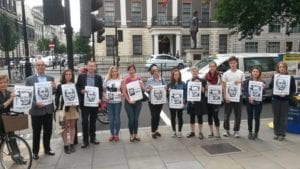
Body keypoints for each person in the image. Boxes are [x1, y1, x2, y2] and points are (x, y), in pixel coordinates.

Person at [25, 60, 56, 160]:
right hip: (36, 110)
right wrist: (35, 104)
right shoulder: (29, 79)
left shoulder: (50, 78)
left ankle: (47, 149)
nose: (41, 67)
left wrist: (54, 87)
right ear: (35, 66)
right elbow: (27, 95)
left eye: (42, 65)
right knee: (36, 132)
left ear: (45, 66)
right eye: (38, 65)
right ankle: (35, 152)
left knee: (48, 130)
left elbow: (53, 92)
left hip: (48, 109)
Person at [0, 75, 27, 164]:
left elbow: (12, 107)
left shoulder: (8, 93)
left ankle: (17, 156)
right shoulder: (9, 95)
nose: (3, 84)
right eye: (1, 83)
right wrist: (11, 99)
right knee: (3, 140)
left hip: (8, 121)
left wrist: (20, 104)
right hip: (0, 122)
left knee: (12, 139)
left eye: (5, 82)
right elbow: (1, 107)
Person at [76, 61, 103, 148]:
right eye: (90, 66)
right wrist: (81, 91)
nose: (91, 68)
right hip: (85, 103)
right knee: (84, 121)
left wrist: (100, 99)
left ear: (95, 68)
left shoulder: (98, 78)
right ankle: (85, 140)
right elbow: (77, 87)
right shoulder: (81, 76)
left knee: (93, 121)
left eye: (93, 66)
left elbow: (100, 90)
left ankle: (93, 138)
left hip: (94, 103)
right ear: (87, 67)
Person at [269, 62, 296, 141]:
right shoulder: (275, 76)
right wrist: (274, 79)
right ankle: (276, 133)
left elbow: (293, 90)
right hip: (276, 100)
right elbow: (271, 86)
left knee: (283, 118)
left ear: (286, 68)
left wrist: (286, 95)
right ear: (278, 68)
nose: (282, 68)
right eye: (280, 67)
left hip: (285, 100)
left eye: (283, 67)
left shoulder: (290, 78)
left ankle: (282, 134)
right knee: (276, 117)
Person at [55, 69, 79, 154]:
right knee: (64, 128)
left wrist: (76, 104)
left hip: (73, 109)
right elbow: (57, 98)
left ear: (72, 76)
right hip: (64, 109)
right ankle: (65, 145)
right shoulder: (60, 86)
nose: (68, 76)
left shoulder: (74, 85)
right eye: (66, 74)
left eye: (70, 74)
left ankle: (71, 144)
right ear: (64, 76)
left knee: (72, 127)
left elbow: (77, 97)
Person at [222, 56, 245, 138]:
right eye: (231, 63)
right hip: (228, 97)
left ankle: (236, 131)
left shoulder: (241, 73)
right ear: (229, 64)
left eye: (234, 63)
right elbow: (223, 86)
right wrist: (225, 96)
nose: (233, 64)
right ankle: (226, 130)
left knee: (238, 114)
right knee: (226, 114)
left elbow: (244, 85)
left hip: (238, 96)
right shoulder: (226, 74)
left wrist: (240, 82)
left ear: (237, 63)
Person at [122, 64, 144, 142]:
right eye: (130, 69)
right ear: (128, 71)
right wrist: (128, 100)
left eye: (133, 69)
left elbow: (142, 89)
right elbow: (124, 92)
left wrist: (141, 84)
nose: (131, 71)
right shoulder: (125, 80)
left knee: (136, 119)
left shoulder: (138, 79)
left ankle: (136, 134)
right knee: (131, 119)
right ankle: (131, 135)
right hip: (129, 103)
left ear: (135, 70)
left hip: (138, 102)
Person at [243, 66, 265, 140]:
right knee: (250, 117)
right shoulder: (247, 81)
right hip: (249, 102)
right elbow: (245, 91)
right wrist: (249, 97)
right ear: (251, 72)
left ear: (259, 73)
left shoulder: (262, 82)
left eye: (257, 72)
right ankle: (250, 132)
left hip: (258, 103)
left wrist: (264, 88)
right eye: (254, 71)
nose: (255, 73)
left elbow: (264, 93)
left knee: (257, 118)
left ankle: (256, 133)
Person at [186, 66, 207, 139]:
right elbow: (188, 92)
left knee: (199, 117)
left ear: (198, 72)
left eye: (196, 71)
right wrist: (190, 100)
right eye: (193, 71)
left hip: (200, 102)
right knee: (192, 117)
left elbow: (203, 91)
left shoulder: (202, 80)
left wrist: (199, 84)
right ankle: (192, 132)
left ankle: (200, 132)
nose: (194, 72)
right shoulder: (188, 81)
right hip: (192, 102)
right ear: (191, 72)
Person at [145, 65, 166, 139]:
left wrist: (165, 89)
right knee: (153, 116)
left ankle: (156, 130)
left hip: (160, 100)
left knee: (157, 116)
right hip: (152, 101)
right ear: (152, 73)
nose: (156, 72)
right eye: (154, 71)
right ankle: (153, 131)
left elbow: (165, 88)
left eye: (157, 71)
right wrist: (149, 89)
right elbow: (146, 90)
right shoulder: (149, 80)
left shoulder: (162, 79)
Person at [103, 66, 123, 142]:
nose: (114, 73)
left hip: (117, 102)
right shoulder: (106, 80)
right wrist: (105, 97)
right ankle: (112, 134)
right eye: (113, 71)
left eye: (115, 71)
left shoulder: (120, 80)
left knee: (117, 118)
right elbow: (103, 91)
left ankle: (116, 134)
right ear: (110, 72)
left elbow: (123, 91)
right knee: (111, 119)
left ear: (117, 72)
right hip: (109, 102)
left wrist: (122, 95)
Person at [167, 69, 186, 138]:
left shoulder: (183, 83)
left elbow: (185, 93)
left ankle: (180, 131)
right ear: (173, 75)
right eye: (175, 74)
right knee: (173, 117)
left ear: (180, 75)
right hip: (172, 104)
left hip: (180, 104)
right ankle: (174, 131)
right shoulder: (169, 84)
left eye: (178, 74)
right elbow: (167, 95)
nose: (176, 76)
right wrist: (168, 91)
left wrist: (184, 101)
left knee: (180, 117)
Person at [205, 61, 221, 139]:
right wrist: (206, 88)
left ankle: (218, 133)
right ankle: (211, 132)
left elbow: (222, 86)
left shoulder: (219, 76)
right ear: (209, 67)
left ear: (216, 67)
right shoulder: (206, 76)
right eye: (211, 66)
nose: (212, 68)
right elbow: (204, 87)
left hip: (216, 99)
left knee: (215, 116)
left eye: (213, 66)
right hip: (208, 98)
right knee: (209, 116)